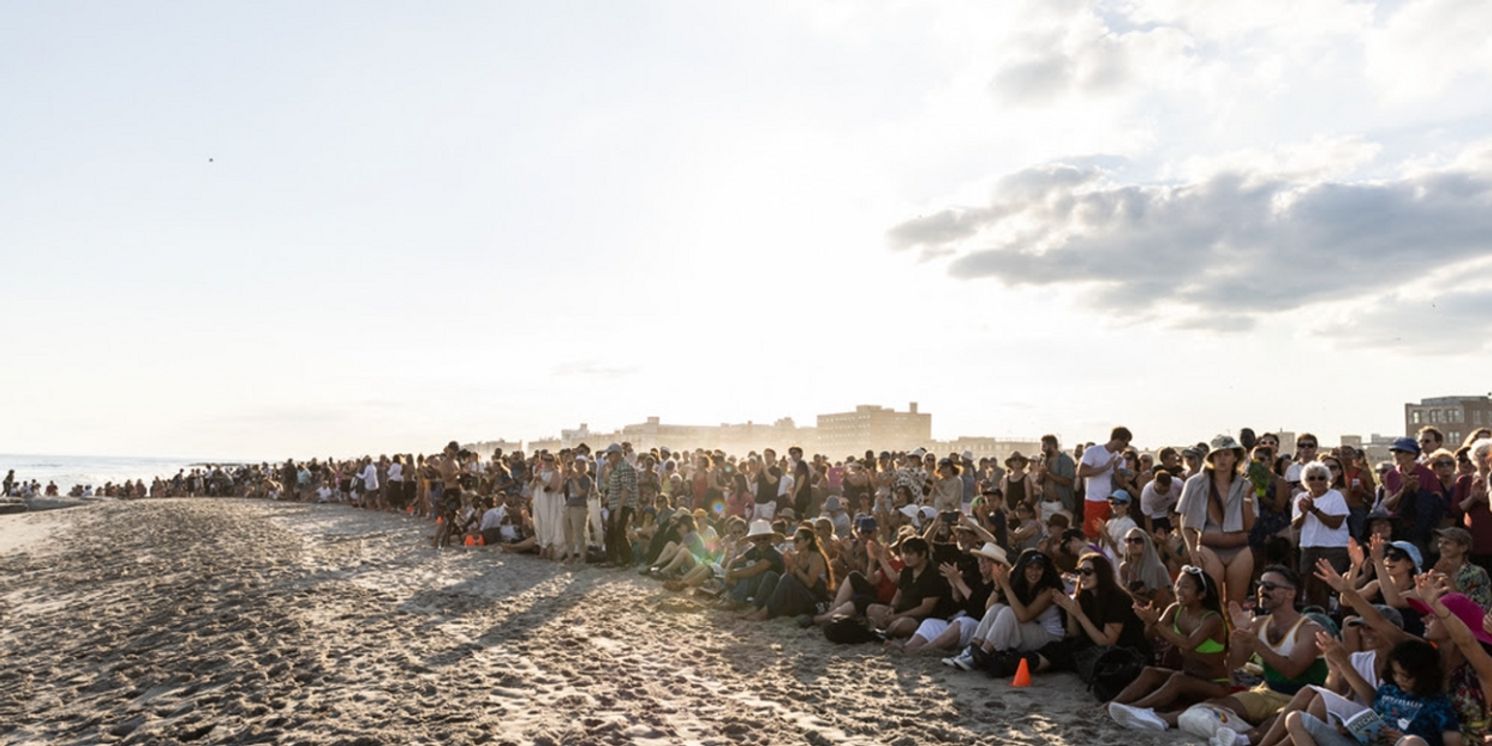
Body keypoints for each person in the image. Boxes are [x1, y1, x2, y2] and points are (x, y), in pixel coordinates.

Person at [1107, 565, 1230, 731]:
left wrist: (1157, 623)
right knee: (1150, 672)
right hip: (1188, 676)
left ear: (1201, 594)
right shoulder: (1174, 609)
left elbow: (1188, 644)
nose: (1178, 590)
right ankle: (1112, 704)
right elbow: (1150, 636)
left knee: (1178, 679)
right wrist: (1150, 621)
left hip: (1214, 685)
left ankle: (1135, 709)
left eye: (1185, 587)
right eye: (1177, 584)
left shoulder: (1212, 619)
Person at [1285, 637, 1458, 746]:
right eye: (1396, 674)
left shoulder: (1438, 703)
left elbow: (1454, 742)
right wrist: (1349, 729)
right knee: (1296, 719)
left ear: (1423, 675)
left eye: (1406, 676)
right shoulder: (1388, 690)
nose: (1399, 680)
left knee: (1412, 742)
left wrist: (1402, 738)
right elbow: (1372, 720)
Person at [943, 548, 1065, 672]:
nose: (1034, 572)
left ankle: (981, 655)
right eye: (1030, 567)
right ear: (1023, 569)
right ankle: (973, 649)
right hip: (1030, 629)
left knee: (1008, 612)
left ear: (1044, 570)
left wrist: (1006, 587)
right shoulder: (1020, 583)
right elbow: (989, 609)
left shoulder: (1048, 590)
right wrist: (997, 587)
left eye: (1038, 568)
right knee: (998, 608)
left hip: (1050, 638)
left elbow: (1024, 616)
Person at [1177, 435, 1257, 605]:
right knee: (1213, 604)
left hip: (1239, 547)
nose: (1222, 459)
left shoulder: (1246, 485)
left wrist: (1247, 498)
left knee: (1235, 606)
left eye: (1227, 454)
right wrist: (1192, 550)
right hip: (1209, 546)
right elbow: (1185, 520)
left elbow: (1249, 525)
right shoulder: (1195, 483)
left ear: (1235, 457)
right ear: (1211, 457)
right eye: (1218, 454)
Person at [866, 537, 951, 640]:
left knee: (902, 624)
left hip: (921, 618)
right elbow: (898, 594)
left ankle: (884, 633)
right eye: (904, 554)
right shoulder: (906, 571)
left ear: (923, 554)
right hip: (902, 611)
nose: (906, 557)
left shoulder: (933, 574)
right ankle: (886, 630)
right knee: (872, 609)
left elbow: (925, 609)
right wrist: (892, 608)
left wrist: (898, 616)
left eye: (910, 554)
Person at [1294, 460, 1351, 611]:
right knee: (1311, 588)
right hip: (1309, 547)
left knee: (1330, 588)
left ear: (1327, 480)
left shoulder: (1335, 496)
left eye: (1321, 478)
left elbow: (1336, 523)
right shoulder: (1301, 498)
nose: (1317, 481)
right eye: (1311, 478)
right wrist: (1304, 513)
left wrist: (1314, 510)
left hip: (1333, 548)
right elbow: (1295, 525)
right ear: (1305, 481)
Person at [1078, 427, 1134, 540]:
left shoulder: (1119, 458)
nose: (1126, 446)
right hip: (1094, 500)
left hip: (1113, 502)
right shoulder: (1093, 451)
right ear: (1118, 440)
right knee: (1093, 536)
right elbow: (1081, 472)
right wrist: (1104, 468)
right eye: (1126, 442)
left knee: (1109, 537)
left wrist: (1116, 469)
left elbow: (1121, 483)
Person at [1433, 527, 1492, 611]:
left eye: (1447, 543)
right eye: (1440, 542)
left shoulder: (1476, 573)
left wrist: (1447, 578)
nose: (1441, 546)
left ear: (1463, 548)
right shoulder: (1438, 570)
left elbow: (1477, 610)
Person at [601, 444, 639, 567]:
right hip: (614, 504)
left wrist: (618, 509)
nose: (608, 457)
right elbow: (609, 483)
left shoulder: (625, 467)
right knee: (611, 532)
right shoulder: (615, 468)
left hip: (624, 505)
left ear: (617, 454)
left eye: (610, 454)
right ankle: (611, 559)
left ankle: (627, 559)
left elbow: (626, 489)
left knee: (619, 531)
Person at [1118, 527, 1174, 607]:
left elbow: (1163, 602)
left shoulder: (1157, 568)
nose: (1132, 543)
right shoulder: (1124, 568)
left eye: (1138, 541)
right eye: (1129, 540)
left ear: (1146, 543)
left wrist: (1132, 595)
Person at [1038, 434, 1078, 515]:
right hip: (1045, 502)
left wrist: (1048, 473)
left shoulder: (1065, 460)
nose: (1042, 449)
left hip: (1059, 503)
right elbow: (1040, 481)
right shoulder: (1044, 460)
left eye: (1044, 446)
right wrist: (1041, 475)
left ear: (1052, 445)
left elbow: (1067, 481)